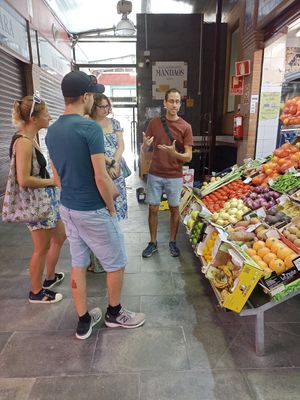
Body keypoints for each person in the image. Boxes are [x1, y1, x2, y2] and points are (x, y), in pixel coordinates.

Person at [46, 71, 145, 340]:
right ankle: (115, 313)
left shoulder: (52, 131)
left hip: (67, 207)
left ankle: (83, 320)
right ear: (86, 96)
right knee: (116, 262)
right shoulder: (89, 128)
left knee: (78, 262)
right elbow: (101, 177)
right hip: (93, 208)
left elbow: (57, 179)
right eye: (93, 95)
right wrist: (111, 210)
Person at [10, 94, 66, 303]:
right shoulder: (24, 142)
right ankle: (36, 292)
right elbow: (23, 179)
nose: (50, 117)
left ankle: (49, 277)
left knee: (60, 236)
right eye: (46, 114)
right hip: (36, 206)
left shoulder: (31, 139)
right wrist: (52, 182)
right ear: (34, 118)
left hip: (45, 202)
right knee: (41, 248)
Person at [141, 88, 193, 258]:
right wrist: (146, 145)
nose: (174, 105)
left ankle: (172, 242)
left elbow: (188, 156)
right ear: (164, 103)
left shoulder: (186, 127)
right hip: (155, 173)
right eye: (171, 101)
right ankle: (153, 242)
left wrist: (174, 154)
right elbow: (144, 149)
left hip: (174, 175)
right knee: (153, 208)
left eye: (178, 101)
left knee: (174, 209)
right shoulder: (154, 123)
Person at [87, 94, 128, 273]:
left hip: (116, 172)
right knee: (100, 215)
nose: (105, 110)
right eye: (101, 106)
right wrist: (108, 163)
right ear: (93, 107)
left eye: (107, 106)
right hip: (98, 170)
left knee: (115, 213)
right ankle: (97, 260)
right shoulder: (88, 124)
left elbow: (121, 146)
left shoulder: (115, 123)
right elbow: (90, 150)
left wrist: (115, 162)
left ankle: (113, 254)